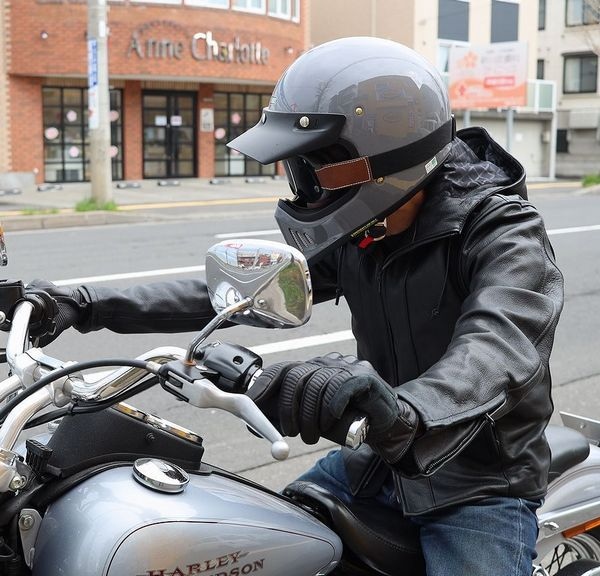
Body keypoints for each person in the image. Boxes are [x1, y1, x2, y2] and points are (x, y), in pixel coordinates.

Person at [22, 37, 563, 575]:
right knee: (248, 552)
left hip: (478, 482)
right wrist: (85, 305)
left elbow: (498, 349)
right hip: (375, 463)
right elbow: (237, 290)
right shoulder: (365, 230)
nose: (301, 185)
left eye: (312, 167)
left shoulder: (503, 233)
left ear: (375, 162)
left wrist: (407, 411)